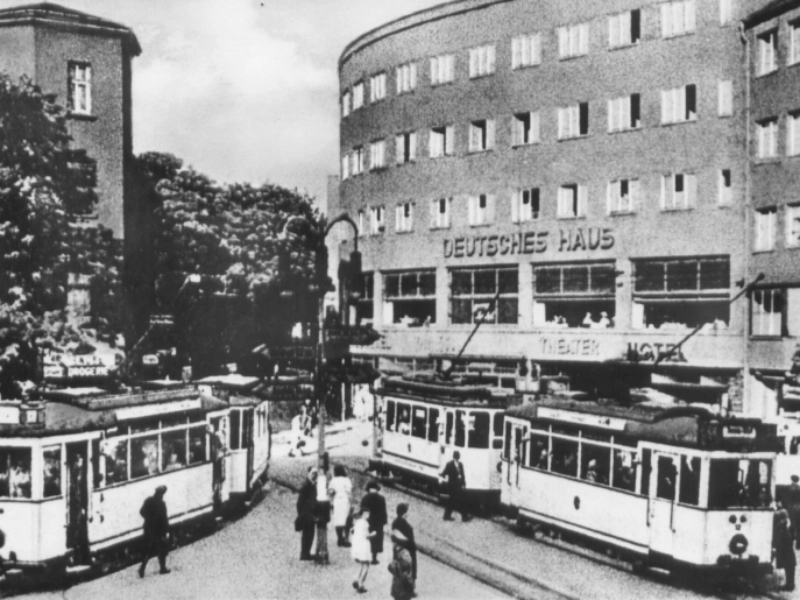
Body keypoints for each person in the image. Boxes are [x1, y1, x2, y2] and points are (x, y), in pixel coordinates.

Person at [138, 485, 170, 577]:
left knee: (148, 550)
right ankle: (163, 568)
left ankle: (142, 569)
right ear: (161, 494)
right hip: (159, 530)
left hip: (148, 528)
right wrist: (166, 531)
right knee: (162, 550)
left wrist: (149, 518)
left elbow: (141, 511)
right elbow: (164, 519)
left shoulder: (148, 501)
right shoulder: (161, 504)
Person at [391, 503, 417, 596]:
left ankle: (400, 589)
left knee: (400, 570)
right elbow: (406, 539)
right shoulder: (404, 525)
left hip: (399, 549)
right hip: (406, 550)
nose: (408, 514)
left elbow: (393, 537)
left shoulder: (395, 522)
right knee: (408, 570)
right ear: (404, 513)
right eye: (407, 512)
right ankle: (408, 590)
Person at [360, 480, 387, 564]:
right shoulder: (381, 498)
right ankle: (374, 558)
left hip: (368, 521)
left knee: (366, 538)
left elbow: (362, 511)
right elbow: (383, 511)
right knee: (376, 539)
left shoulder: (365, 498)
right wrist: (384, 521)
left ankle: (364, 557)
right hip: (378, 522)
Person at [440, 451, 471, 522]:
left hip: (458, 485)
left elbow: (463, 475)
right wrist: (442, 475)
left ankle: (447, 516)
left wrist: (463, 484)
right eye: (457, 457)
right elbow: (445, 472)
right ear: (454, 457)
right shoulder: (449, 464)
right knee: (455, 501)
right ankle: (463, 517)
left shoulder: (460, 464)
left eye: (458, 457)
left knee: (455, 501)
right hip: (452, 486)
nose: (457, 458)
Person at [350, 508, 374, 593]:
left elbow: (353, 531)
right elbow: (366, 535)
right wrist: (373, 534)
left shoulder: (357, 522)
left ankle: (356, 578)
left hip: (357, 546)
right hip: (364, 546)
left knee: (361, 564)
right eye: (367, 514)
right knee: (366, 565)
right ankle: (361, 583)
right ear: (363, 514)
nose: (368, 515)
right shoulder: (365, 523)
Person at [296, 466, 318, 561]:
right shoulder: (306, 485)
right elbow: (299, 502)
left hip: (310, 513)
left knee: (310, 534)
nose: (315, 475)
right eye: (313, 473)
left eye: (316, 473)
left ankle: (306, 553)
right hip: (307, 513)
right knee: (307, 534)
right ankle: (304, 554)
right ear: (308, 473)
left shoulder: (312, 484)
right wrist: (302, 514)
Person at [328, 464, 353, 547]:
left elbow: (330, 491)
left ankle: (339, 538)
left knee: (338, 519)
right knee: (346, 519)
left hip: (336, 500)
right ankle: (346, 538)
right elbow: (349, 491)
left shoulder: (333, 480)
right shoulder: (346, 480)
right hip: (344, 499)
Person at [774, 501, 796, 591]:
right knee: (789, 564)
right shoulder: (785, 516)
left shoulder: (782, 512)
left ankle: (790, 585)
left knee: (789, 564)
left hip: (786, 542)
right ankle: (790, 584)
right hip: (787, 542)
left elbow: (778, 517)